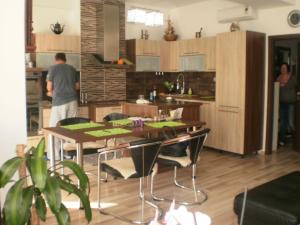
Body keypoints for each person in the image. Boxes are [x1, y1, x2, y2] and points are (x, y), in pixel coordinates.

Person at [47, 53, 80, 159]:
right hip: (73, 102)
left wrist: (50, 93)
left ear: (55, 59)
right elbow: (77, 86)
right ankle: (69, 154)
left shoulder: (53, 68)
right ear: (65, 60)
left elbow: (49, 87)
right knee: (70, 128)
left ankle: (54, 156)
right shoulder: (72, 69)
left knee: (55, 128)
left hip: (59, 103)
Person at [277, 63, 297, 146]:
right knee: (282, 123)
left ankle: (296, 140)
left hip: (290, 103)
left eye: (284, 68)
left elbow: (296, 86)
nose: (283, 69)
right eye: (282, 68)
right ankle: (282, 140)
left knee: (291, 123)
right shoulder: (279, 77)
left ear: (287, 69)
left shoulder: (292, 78)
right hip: (282, 103)